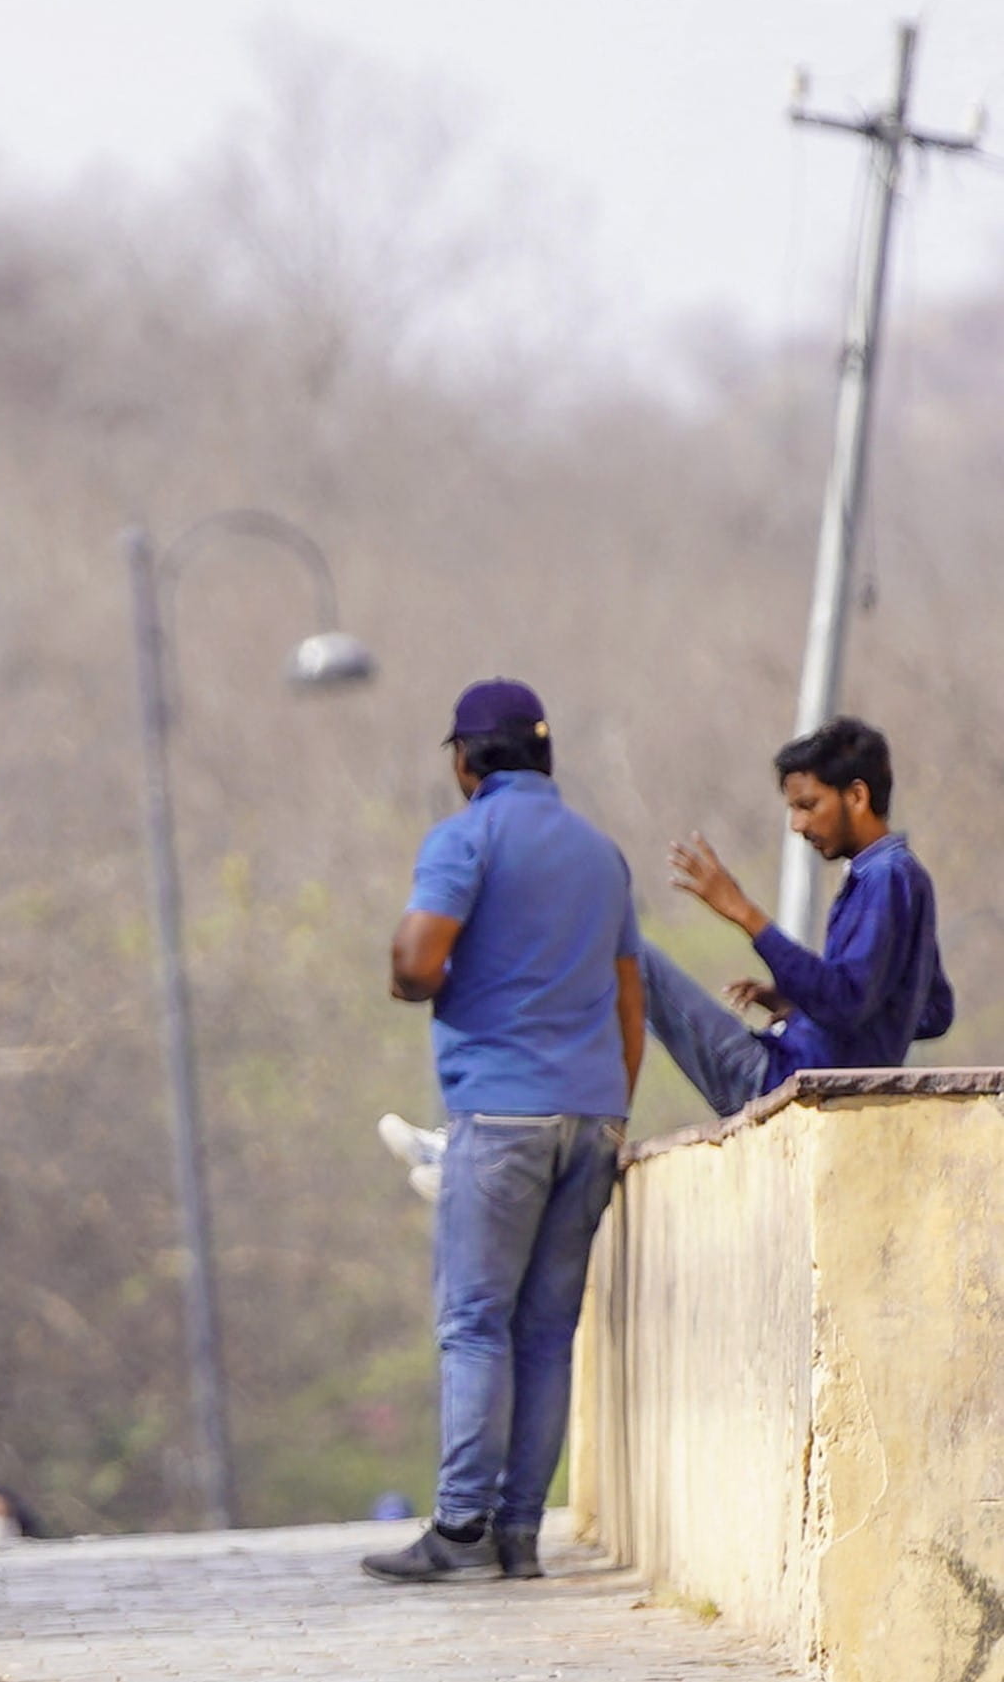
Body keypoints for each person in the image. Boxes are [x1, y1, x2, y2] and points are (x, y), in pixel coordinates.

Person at [363, 680, 643, 1587]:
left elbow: (414, 958)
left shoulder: (466, 837)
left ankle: (456, 1528)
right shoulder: (602, 855)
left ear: (464, 760)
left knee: (474, 1321)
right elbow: (628, 999)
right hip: (592, 1112)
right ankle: (518, 1534)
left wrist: (417, 983)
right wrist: (607, 1109)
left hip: (502, 1112)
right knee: (545, 1330)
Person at [656, 716, 955, 1116]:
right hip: (805, 1068)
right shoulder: (895, 876)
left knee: (631, 953)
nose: (798, 825)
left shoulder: (886, 877)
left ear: (856, 797)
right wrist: (803, 1006)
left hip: (787, 1077)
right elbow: (932, 1011)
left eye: (808, 805)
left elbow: (847, 1002)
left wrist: (745, 914)